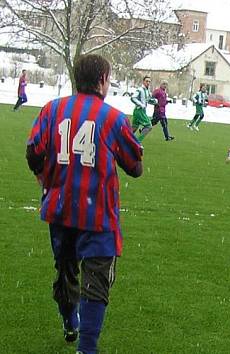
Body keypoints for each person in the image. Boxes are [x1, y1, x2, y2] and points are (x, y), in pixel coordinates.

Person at [25, 54, 143, 354]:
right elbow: (135, 168)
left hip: (61, 209)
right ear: (103, 79)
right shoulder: (113, 118)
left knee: (66, 272)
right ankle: (86, 348)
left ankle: (69, 321)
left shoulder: (52, 109)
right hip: (98, 216)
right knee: (97, 282)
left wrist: (44, 178)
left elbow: (32, 152)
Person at [130, 76, 157, 142]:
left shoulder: (147, 91)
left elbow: (148, 100)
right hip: (139, 111)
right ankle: (138, 142)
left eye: (149, 81)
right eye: (146, 81)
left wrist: (154, 101)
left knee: (133, 128)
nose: (148, 83)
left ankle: (121, 140)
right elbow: (133, 98)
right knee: (149, 126)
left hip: (140, 111)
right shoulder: (140, 90)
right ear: (143, 81)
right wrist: (141, 105)